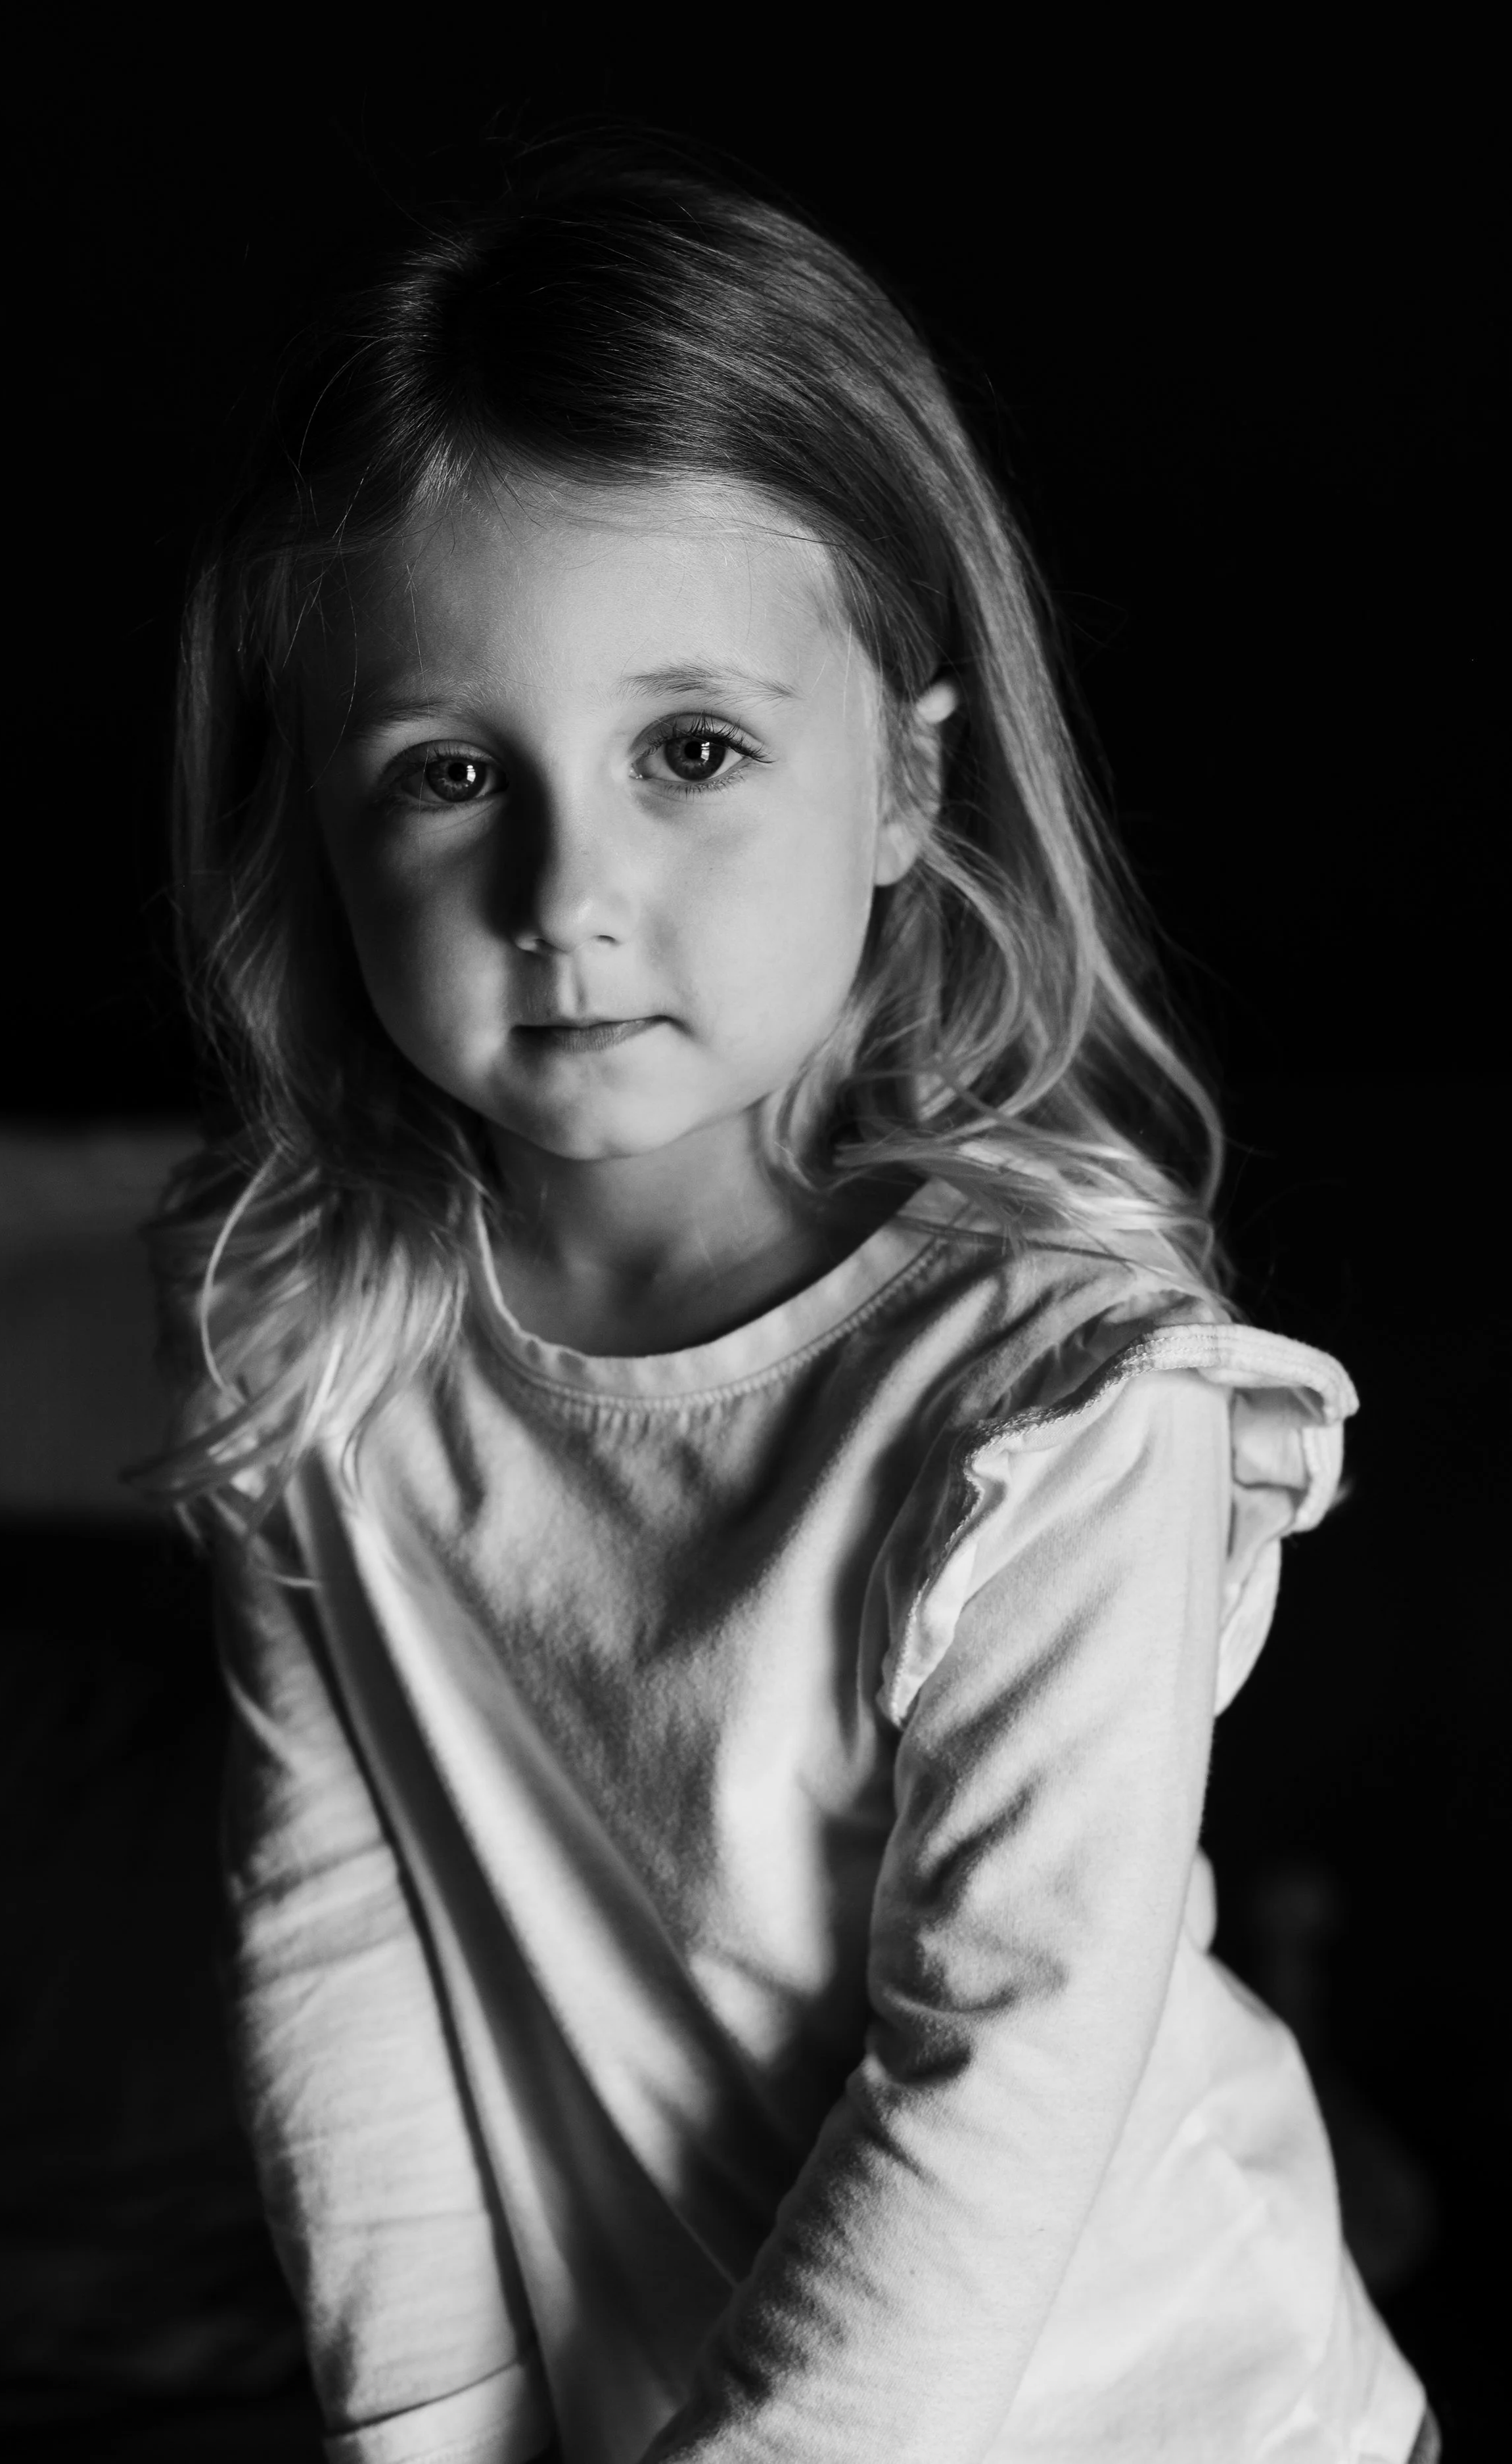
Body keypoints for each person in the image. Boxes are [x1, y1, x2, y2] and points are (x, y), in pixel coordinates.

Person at [140, 148, 1435, 2463]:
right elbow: (333, 1934)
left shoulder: (1055, 1401)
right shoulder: (314, 1346)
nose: (567, 891)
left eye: (691, 750)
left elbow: (995, 2075)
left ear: (902, 785)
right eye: (448, 773)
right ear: (318, 832)